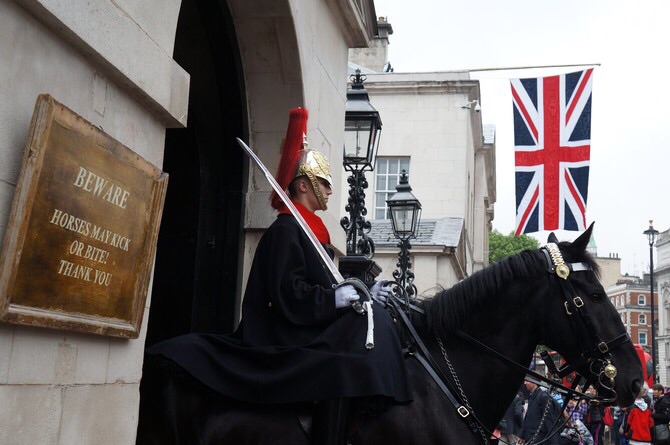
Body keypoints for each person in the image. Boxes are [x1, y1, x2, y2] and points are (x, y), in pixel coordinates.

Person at [147, 108, 411, 445]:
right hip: (282, 330)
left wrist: (366, 293)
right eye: (325, 183)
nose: (330, 190)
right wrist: (335, 298)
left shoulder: (312, 236)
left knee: (374, 328)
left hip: (307, 324)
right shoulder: (286, 230)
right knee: (343, 364)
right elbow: (289, 293)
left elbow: (329, 285)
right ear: (303, 185)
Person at [518, 380, 560, 445]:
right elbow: (527, 417)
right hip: (530, 438)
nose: (524, 383)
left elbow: (550, 423)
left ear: (534, 382)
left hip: (539, 440)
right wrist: (522, 435)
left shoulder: (543, 397)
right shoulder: (532, 396)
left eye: (527, 381)